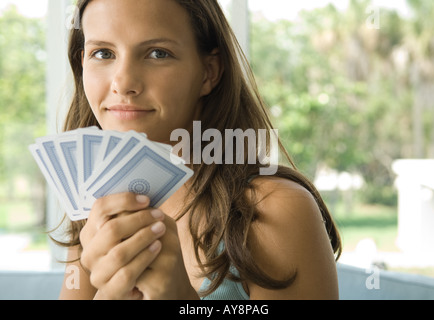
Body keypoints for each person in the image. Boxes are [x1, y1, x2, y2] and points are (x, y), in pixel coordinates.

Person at [57, 0, 342, 300]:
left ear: (209, 72)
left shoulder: (274, 210)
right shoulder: (97, 209)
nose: (124, 82)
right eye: (103, 53)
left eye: (158, 53)